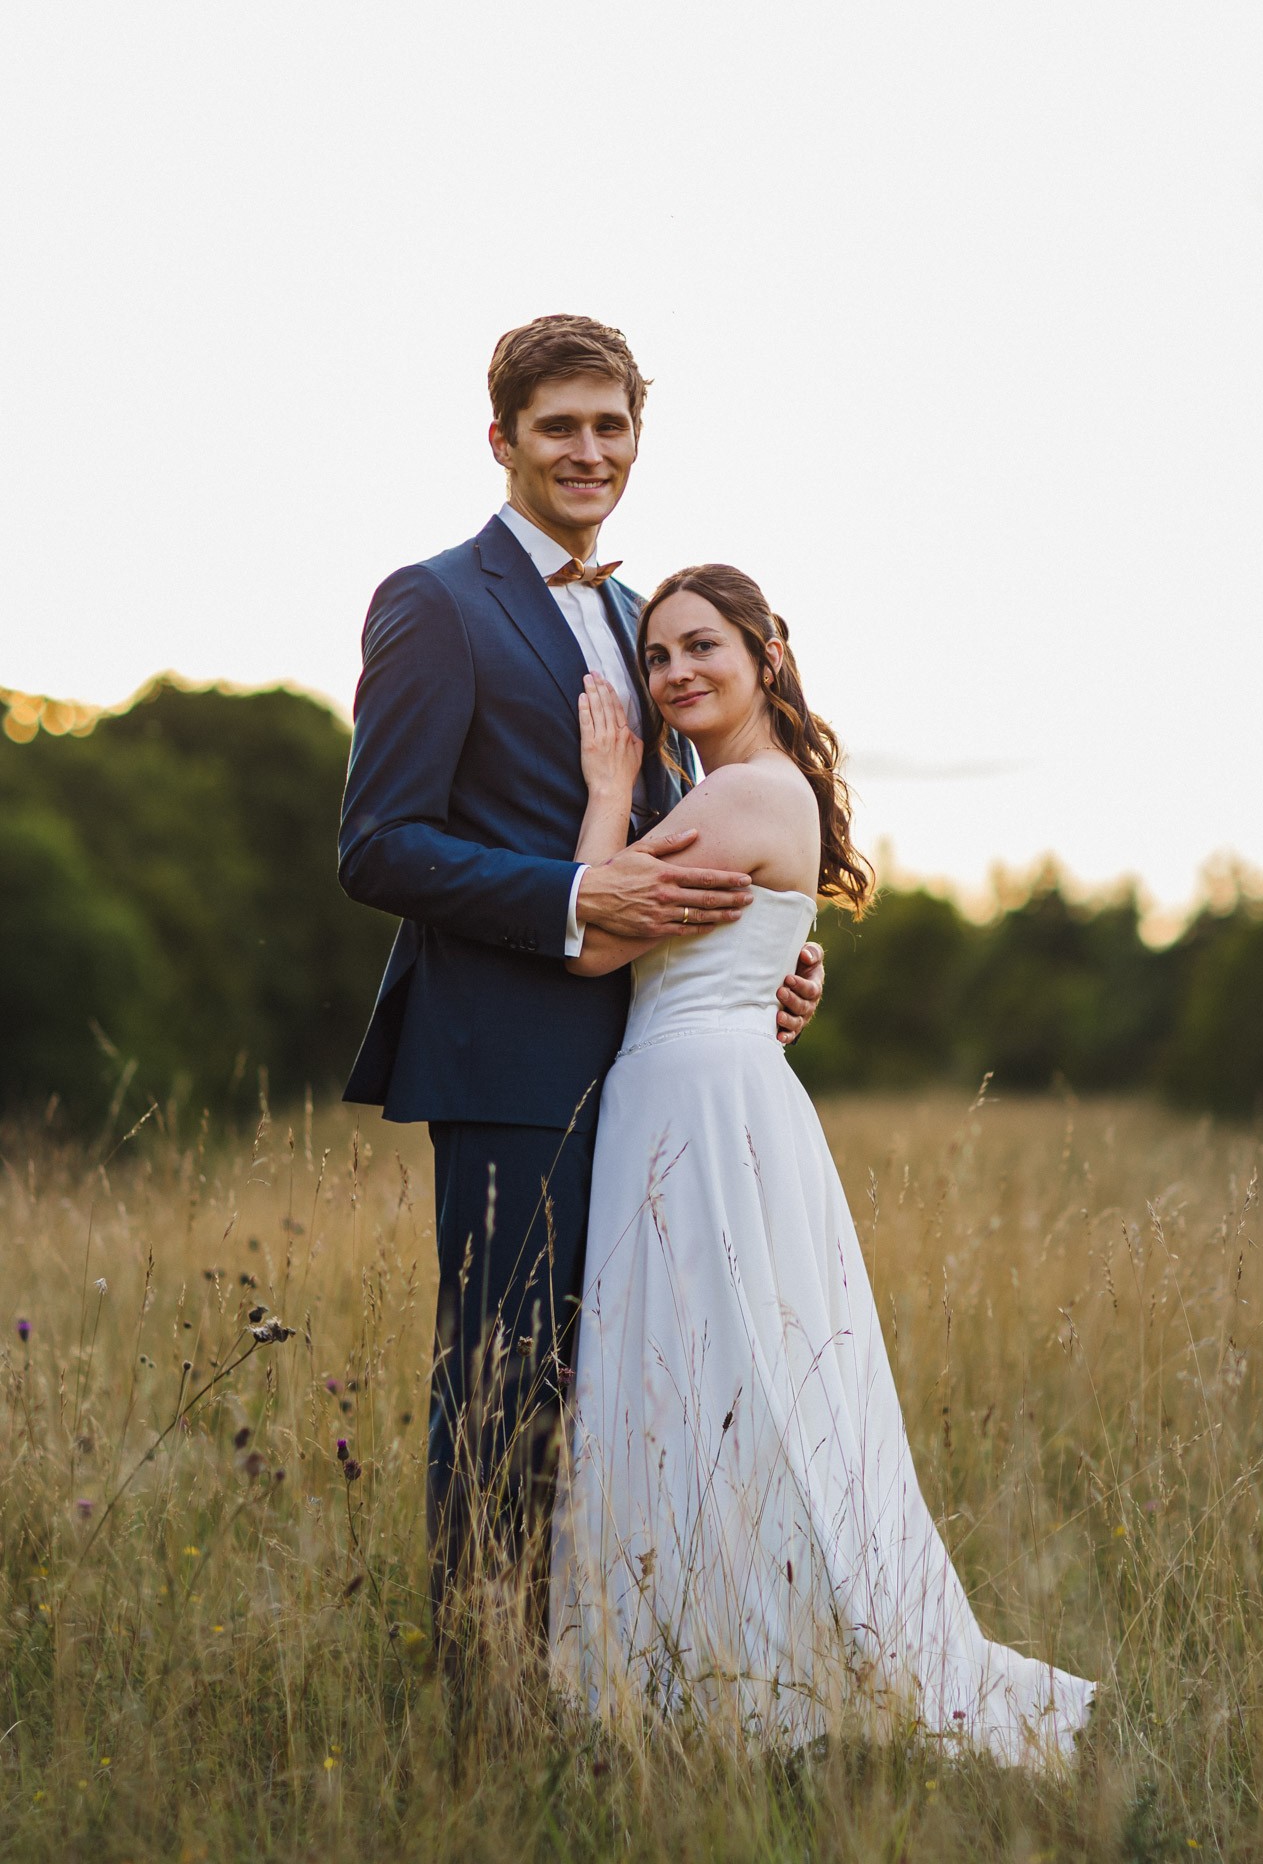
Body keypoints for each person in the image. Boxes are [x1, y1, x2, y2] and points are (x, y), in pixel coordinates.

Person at [549, 564, 1097, 1766]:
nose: (676, 673)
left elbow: (589, 940)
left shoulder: (740, 794)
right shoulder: (737, 790)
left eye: (702, 647)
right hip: (706, 1086)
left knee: (714, 1367)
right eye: (656, 659)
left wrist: (602, 788)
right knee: (718, 1368)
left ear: (765, 653)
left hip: (696, 1097)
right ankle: (707, 1651)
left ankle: (744, 1669)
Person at [337, 317, 824, 1581]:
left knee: (627, 1394)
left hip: (653, 1070)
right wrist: (574, 897)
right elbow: (378, 844)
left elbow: (680, 835)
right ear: (500, 439)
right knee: (501, 1394)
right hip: (505, 1067)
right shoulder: (436, 603)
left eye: (610, 426)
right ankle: (481, 1708)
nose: (586, 450)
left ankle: (597, 1676)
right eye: (558, 425)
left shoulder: (636, 611)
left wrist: (759, 952)